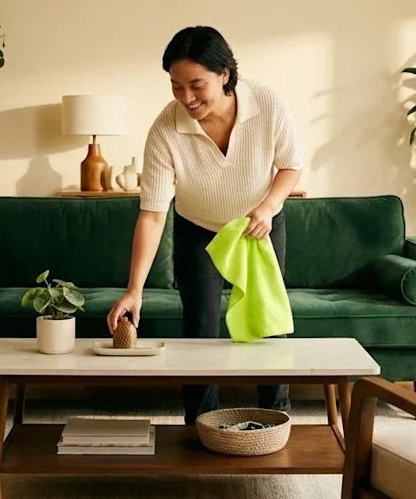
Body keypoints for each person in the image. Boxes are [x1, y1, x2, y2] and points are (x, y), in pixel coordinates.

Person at [106, 25, 302, 425]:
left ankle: (274, 420)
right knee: (200, 328)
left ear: (224, 74)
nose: (187, 98)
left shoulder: (267, 104)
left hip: (258, 224)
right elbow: (153, 213)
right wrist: (134, 290)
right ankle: (201, 423)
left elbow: (291, 166)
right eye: (176, 87)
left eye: (196, 85)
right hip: (198, 229)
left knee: (267, 322)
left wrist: (268, 207)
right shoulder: (165, 129)